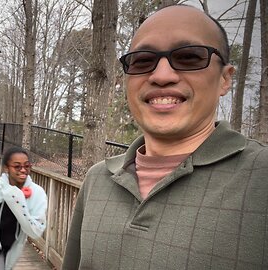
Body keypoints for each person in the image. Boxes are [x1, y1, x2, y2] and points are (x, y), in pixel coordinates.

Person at [62, 4, 268, 270]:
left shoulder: (261, 177)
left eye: (190, 57)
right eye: (143, 60)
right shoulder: (98, 179)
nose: (161, 75)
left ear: (225, 80)